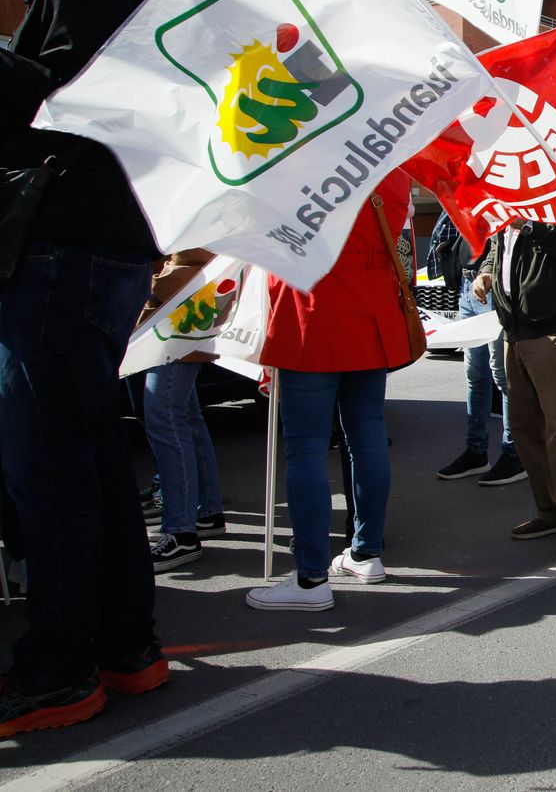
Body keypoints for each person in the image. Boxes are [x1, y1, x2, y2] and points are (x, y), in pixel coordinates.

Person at [0, 0, 168, 736]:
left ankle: (61, 670)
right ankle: (122, 648)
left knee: (51, 470)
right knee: (90, 461)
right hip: (89, 254)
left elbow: (59, 111)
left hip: (66, 253)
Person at [246, 170, 415, 611]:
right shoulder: (392, 168)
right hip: (371, 313)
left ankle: (310, 578)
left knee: (305, 445)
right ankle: (365, 552)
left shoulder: (302, 165)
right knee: (367, 435)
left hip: (310, 313)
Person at [474, 214, 556, 556]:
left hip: (554, 329)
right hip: (516, 331)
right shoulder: (510, 201)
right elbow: (497, 246)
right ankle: (551, 510)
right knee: (525, 427)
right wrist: (486, 271)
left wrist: (529, 224)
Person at [141, 249, 228, 573]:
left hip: (180, 311)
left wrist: (145, 297)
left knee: (166, 415)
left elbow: (186, 264)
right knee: (184, 416)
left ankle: (181, 531)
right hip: (187, 308)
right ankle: (204, 513)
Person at [430, 216, 524, 486]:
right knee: (476, 376)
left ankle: (513, 453)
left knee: (502, 377)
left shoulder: (495, 189)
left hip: (494, 288)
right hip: (468, 287)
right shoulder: (463, 194)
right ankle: (476, 450)